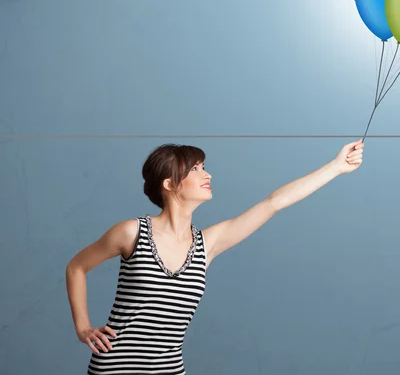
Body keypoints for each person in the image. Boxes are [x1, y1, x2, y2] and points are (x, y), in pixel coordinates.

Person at [66, 140, 365, 374]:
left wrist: (336, 167)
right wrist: (83, 327)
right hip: (116, 369)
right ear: (169, 184)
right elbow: (76, 267)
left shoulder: (207, 244)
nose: (207, 174)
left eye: (204, 167)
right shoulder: (131, 233)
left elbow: (274, 202)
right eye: (195, 169)